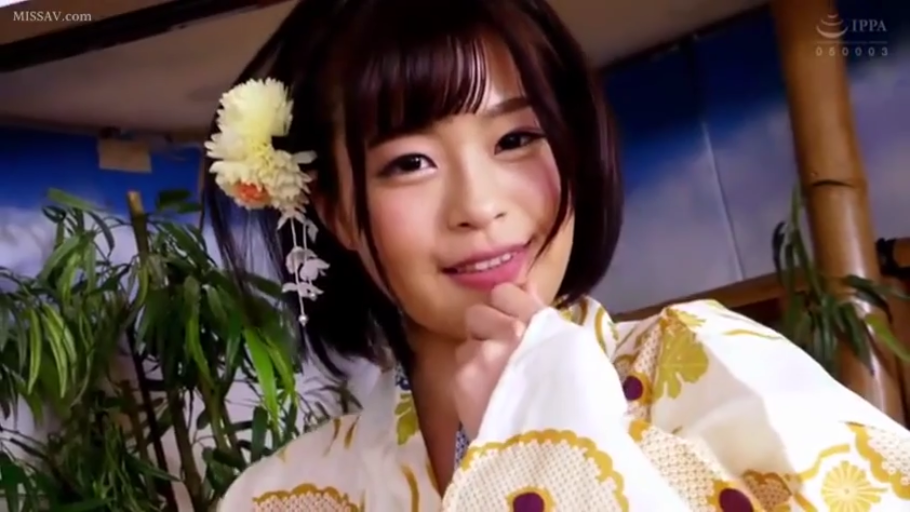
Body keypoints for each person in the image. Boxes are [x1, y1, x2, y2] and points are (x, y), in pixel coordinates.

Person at [205, 0, 910, 509]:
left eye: (516, 140)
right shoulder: (284, 496)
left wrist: (544, 435)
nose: (479, 205)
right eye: (410, 162)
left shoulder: (716, 368)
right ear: (337, 214)